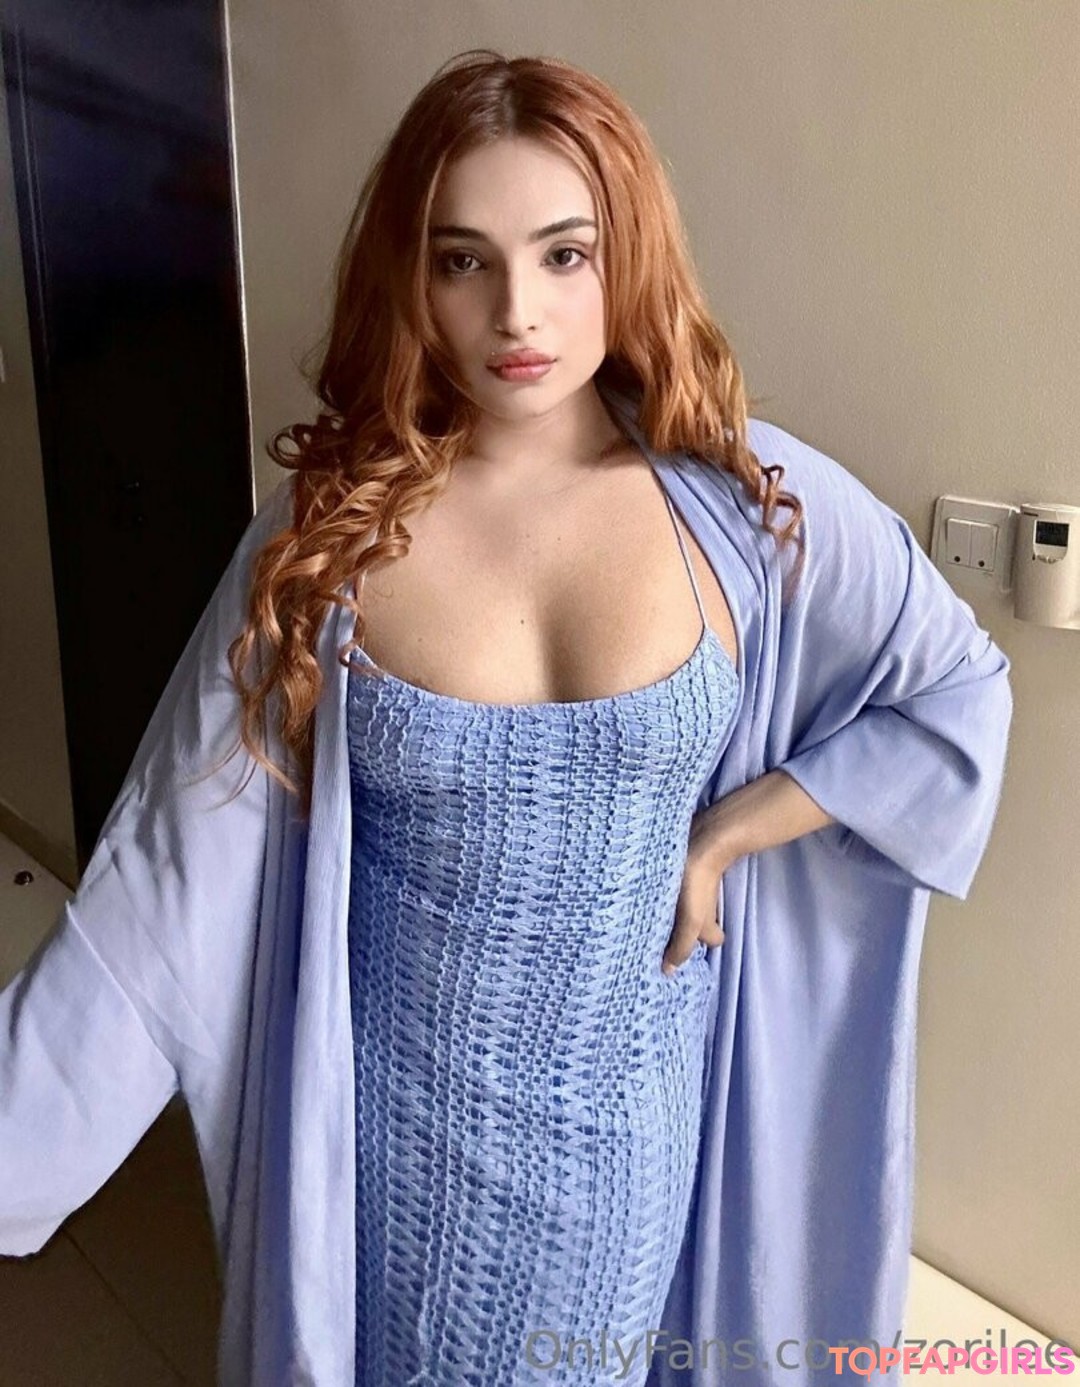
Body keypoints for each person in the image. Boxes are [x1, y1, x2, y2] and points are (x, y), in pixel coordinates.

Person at [0, 49, 1012, 1387]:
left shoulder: (749, 505)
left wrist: (726, 836)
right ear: (410, 279)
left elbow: (954, 690)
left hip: (636, 1139)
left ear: (627, 256)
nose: (516, 312)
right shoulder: (333, 541)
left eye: (564, 254)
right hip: (402, 1137)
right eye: (463, 260)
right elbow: (154, 894)